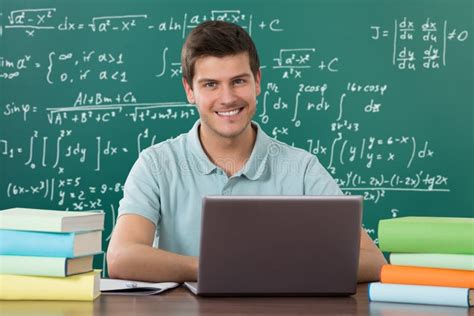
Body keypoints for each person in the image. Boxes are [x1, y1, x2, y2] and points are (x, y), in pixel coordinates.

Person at [107, 21, 387, 283]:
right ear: (189, 90)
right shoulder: (156, 164)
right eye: (210, 84)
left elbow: (373, 261)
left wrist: (272, 267)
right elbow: (121, 257)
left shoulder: (302, 168)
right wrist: (209, 267)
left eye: (239, 81)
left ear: (257, 82)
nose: (227, 98)